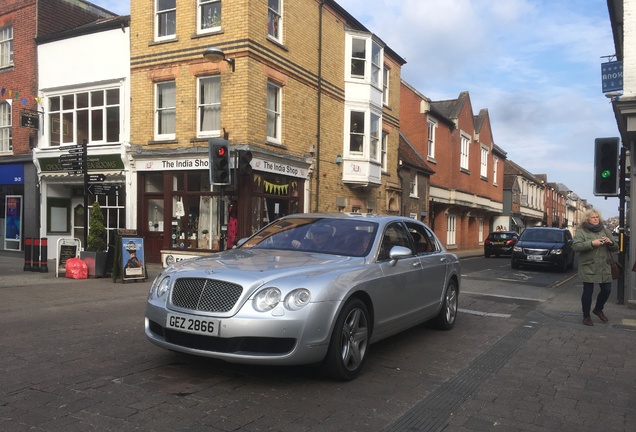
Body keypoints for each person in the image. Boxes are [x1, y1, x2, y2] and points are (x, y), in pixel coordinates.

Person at [572, 209, 619, 326]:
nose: (595, 219)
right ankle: (586, 316)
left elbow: (615, 247)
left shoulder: (605, 230)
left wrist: (610, 243)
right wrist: (592, 243)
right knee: (588, 291)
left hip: (604, 266)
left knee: (607, 289)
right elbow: (576, 246)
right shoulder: (582, 232)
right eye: (593, 217)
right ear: (587, 219)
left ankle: (598, 309)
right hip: (588, 266)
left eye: (597, 217)